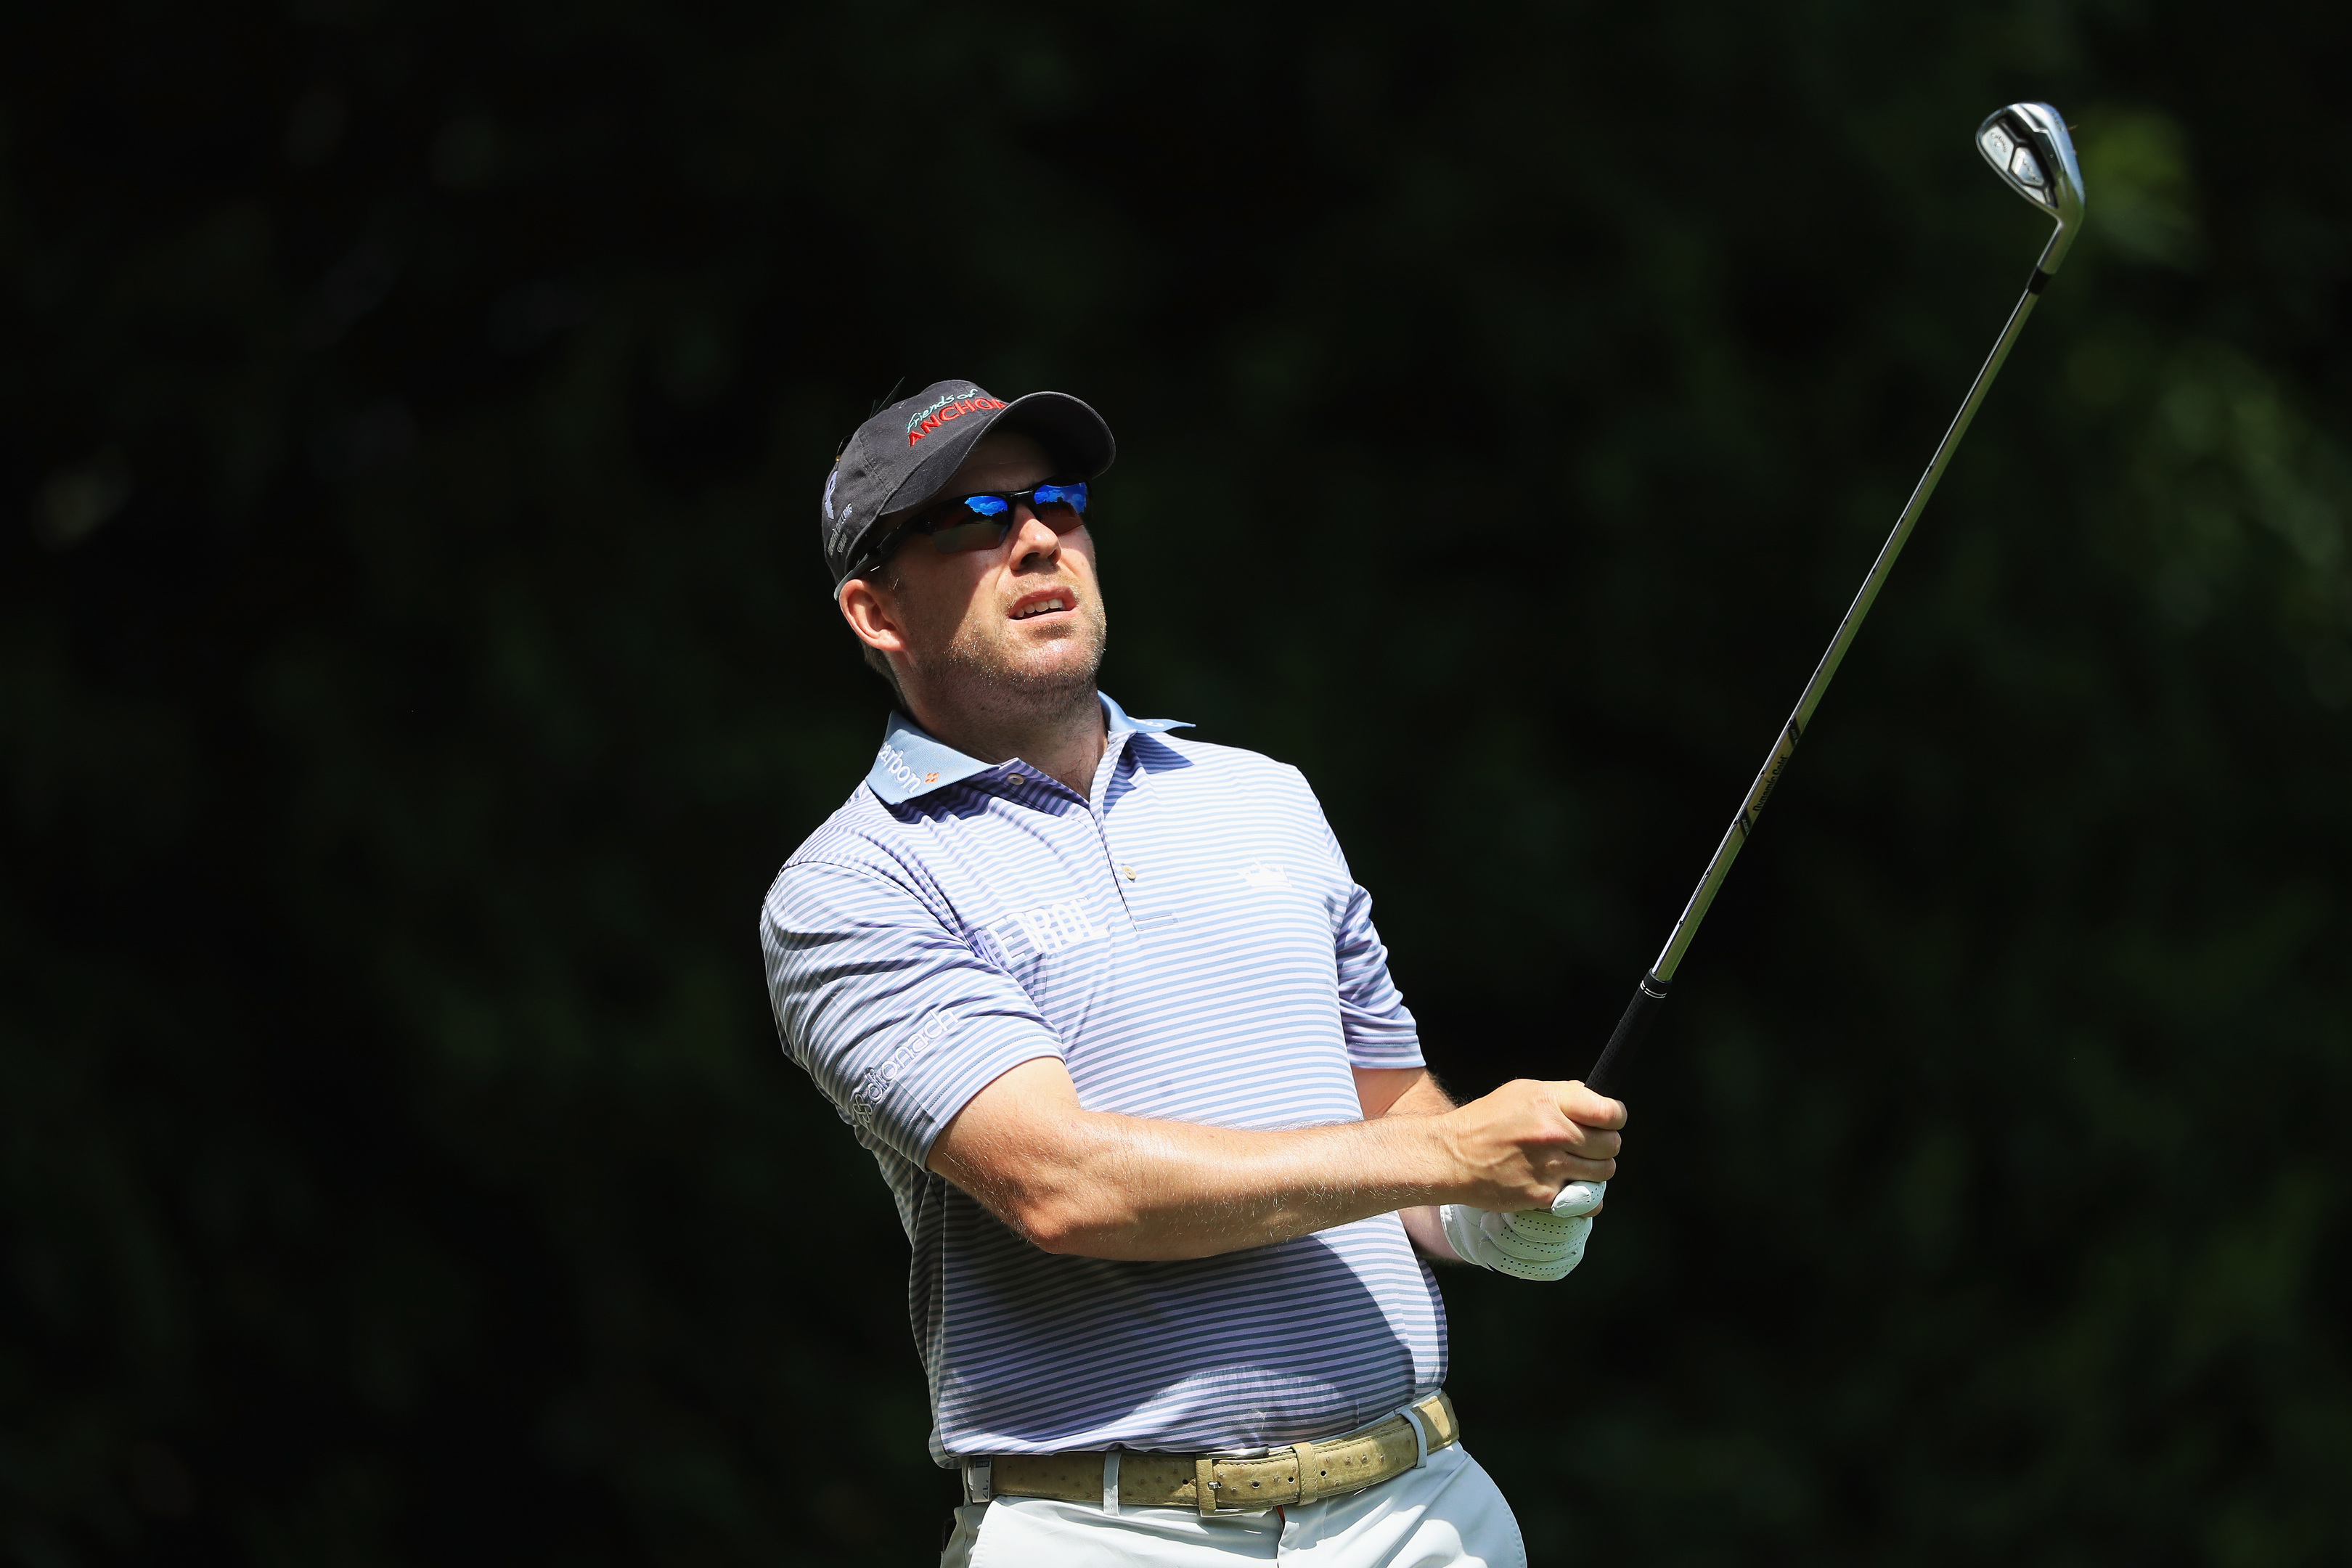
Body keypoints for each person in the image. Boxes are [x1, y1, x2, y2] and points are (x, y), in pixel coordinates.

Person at [761, 380, 1627, 1566]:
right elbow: (1064, 1187)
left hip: (1423, 1507)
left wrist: (1505, 1210)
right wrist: (1446, 1153)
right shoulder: (853, 887)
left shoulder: (1264, 796)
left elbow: (1393, 1120)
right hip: (1105, 1530)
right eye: (970, 518)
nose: (1036, 540)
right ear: (876, 611)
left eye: (1058, 503)